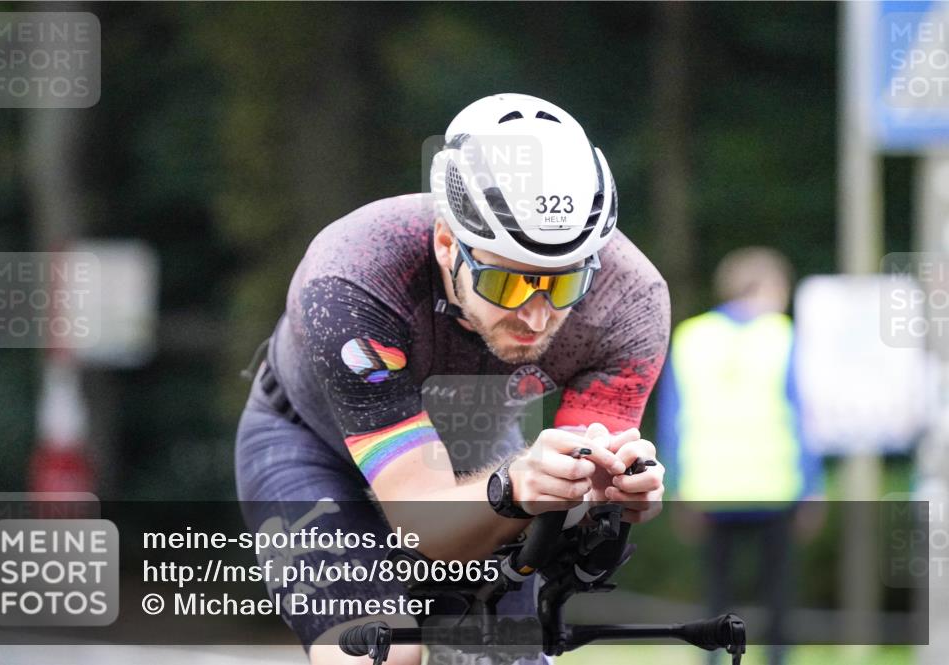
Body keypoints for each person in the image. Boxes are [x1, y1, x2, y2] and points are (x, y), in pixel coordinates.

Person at [235, 93, 671, 665]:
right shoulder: (356, 273)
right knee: (380, 656)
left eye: (563, 284)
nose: (537, 316)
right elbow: (422, 523)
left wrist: (607, 500)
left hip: (480, 452)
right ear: (448, 244)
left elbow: (576, 506)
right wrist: (513, 488)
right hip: (313, 446)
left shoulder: (630, 302)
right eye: (509, 283)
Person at [657, 247, 824, 665]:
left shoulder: (691, 337)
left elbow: (671, 420)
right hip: (775, 487)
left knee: (716, 594)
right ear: (769, 287)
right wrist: (813, 485)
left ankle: (713, 659)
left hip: (710, 487)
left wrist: (675, 485)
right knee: (778, 594)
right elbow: (807, 418)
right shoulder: (786, 336)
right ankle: (777, 659)